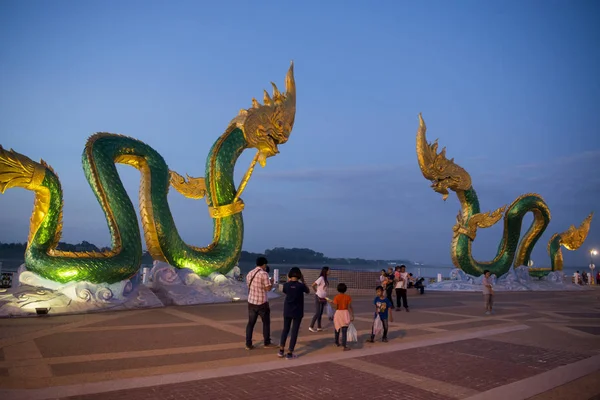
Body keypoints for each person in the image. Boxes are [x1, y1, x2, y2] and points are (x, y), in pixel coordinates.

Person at [278, 267, 310, 359]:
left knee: (285, 330)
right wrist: (303, 280)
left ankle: (281, 350)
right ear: (299, 275)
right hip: (298, 311)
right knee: (294, 331)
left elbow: (285, 291)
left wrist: (289, 281)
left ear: (290, 275)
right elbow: (308, 291)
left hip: (287, 310)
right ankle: (290, 353)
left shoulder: (286, 285)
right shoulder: (301, 286)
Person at [245, 256, 274, 350]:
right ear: (264, 264)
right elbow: (268, 288)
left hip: (251, 302)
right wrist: (272, 282)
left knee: (250, 324)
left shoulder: (249, 273)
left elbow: (248, 286)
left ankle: (248, 344)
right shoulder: (264, 274)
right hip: (262, 303)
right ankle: (267, 343)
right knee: (266, 323)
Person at [329, 283, 353, 351]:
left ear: (338, 289)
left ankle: (336, 342)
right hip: (345, 313)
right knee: (344, 331)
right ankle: (344, 346)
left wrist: (331, 304)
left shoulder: (336, 297)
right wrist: (352, 315)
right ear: (345, 289)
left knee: (337, 328)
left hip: (338, 313)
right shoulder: (348, 297)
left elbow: (336, 307)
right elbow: (349, 307)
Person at [309, 266, 330, 332]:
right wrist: (316, 291)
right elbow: (313, 285)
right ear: (325, 271)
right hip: (318, 297)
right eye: (329, 270)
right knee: (317, 312)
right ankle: (311, 326)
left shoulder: (325, 279)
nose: (330, 271)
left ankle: (319, 327)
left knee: (320, 313)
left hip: (323, 298)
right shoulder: (321, 278)